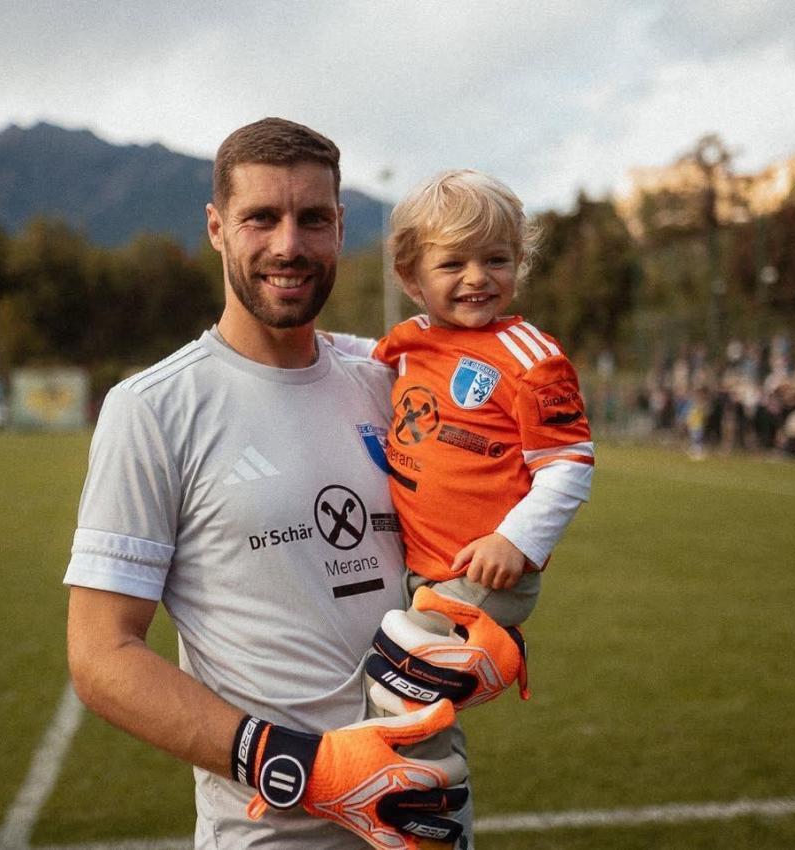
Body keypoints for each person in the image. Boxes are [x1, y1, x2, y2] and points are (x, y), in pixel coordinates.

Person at [64, 118, 471, 850]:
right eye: (261, 217)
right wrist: (306, 768)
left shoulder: (391, 383)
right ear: (216, 228)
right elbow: (101, 657)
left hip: (429, 807)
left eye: (312, 219)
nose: (289, 245)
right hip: (275, 833)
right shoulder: (153, 409)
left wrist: (489, 619)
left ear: (339, 228)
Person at [331, 170, 594, 719]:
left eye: (496, 260)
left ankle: (484, 664)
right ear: (411, 278)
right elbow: (362, 355)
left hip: (483, 574)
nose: (477, 277)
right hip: (419, 567)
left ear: (518, 262)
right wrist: (305, 345)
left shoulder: (531, 359)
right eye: (453, 264)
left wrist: (515, 541)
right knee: (392, 681)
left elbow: (569, 464)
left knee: (394, 687)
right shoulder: (412, 342)